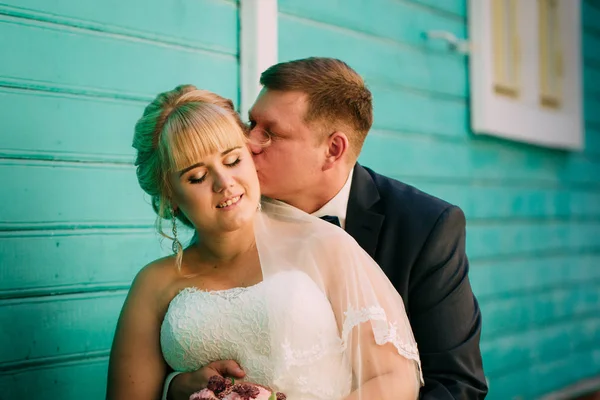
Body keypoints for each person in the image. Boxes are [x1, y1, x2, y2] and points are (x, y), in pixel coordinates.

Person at [165, 57, 488, 399]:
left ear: (333, 150)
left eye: (270, 133)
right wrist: (176, 385)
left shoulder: (426, 227)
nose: (249, 143)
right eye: (251, 123)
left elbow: (458, 386)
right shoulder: (233, 206)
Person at [106, 84, 423, 400]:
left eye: (232, 161)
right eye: (197, 177)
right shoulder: (153, 284)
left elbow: (393, 378)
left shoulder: (323, 246)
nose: (224, 183)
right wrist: (173, 389)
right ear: (171, 196)